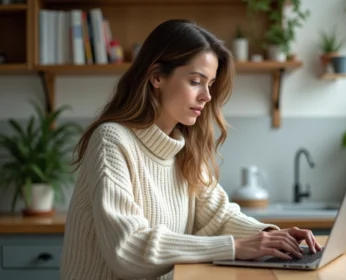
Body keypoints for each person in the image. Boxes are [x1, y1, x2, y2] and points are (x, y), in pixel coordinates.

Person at [60, 19, 322, 280]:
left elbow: (218, 218)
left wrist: (268, 237)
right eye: (196, 81)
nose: (207, 96)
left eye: (210, 84)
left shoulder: (183, 147)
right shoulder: (112, 141)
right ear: (156, 77)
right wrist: (236, 247)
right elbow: (128, 249)